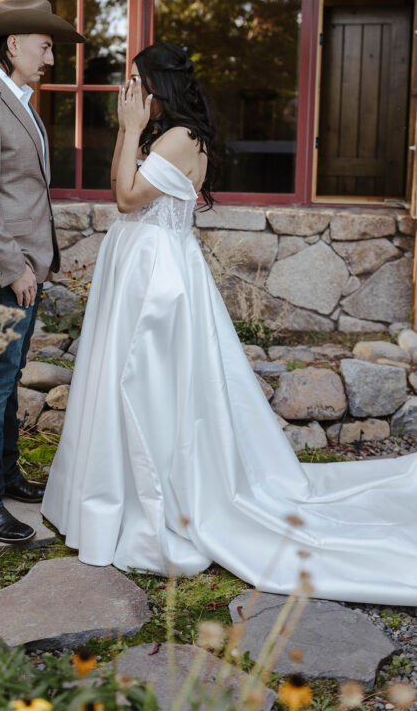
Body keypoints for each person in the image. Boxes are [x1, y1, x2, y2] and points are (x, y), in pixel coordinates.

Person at [42, 41, 417, 605]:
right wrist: (132, 130)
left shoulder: (177, 138)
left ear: (157, 85)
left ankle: (159, 495)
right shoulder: (167, 133)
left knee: (145, 381)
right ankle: (112, 489)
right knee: (124, 378)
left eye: (137, 81)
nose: (130, 91)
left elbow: (123, 197)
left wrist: (125, 129)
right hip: (142, 264)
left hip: (156, 278)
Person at [0, 0, 84, 544]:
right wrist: (13, 268)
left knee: (3, 383)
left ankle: (2, 480)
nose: (50, 57)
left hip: (24, 269)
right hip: (3, 272)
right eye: (45, 46)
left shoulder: (16, 98)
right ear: (13, 44)